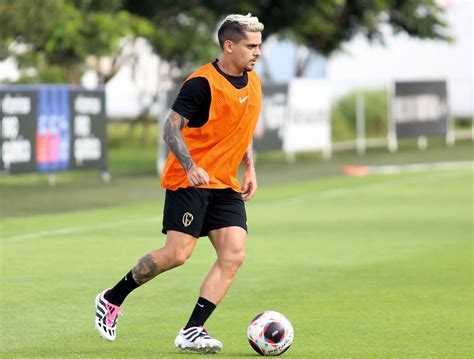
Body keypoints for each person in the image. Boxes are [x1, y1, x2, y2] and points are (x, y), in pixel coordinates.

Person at [95, 13, 264, 354]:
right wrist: (190, 167)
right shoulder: (201, 83)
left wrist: (249, 165)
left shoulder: (253, 80)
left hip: (225, 184)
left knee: (234, 254)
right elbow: (170, 128)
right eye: (251, 46)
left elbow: (238, 128)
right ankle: (111, 299)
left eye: (259, 46)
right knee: (177, 255)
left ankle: (193, 330)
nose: (257, 52)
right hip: (189, 181)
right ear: (229, 45)